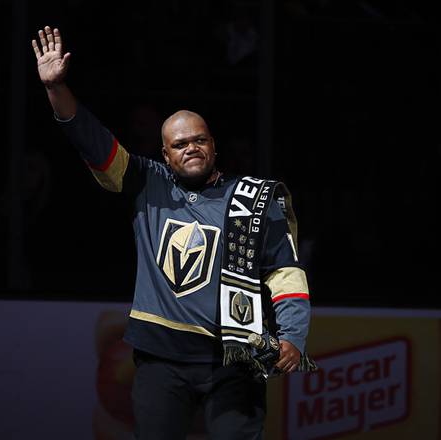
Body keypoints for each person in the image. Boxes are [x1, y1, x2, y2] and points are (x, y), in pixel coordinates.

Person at [31, 26, 314, 439]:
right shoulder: (148, 182)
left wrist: (293, 335)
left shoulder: (253, 199)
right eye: (180, 144)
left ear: (213, 146)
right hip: (160, 361)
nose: (191, 148)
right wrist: (57, 88)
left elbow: (285, 273)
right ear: (165, 153)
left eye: (199, 140)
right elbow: (92, 141)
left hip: (234, 362)